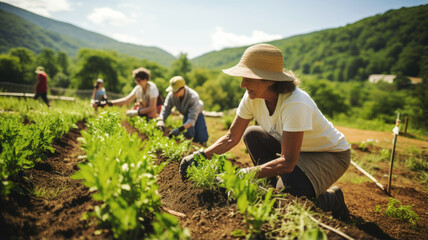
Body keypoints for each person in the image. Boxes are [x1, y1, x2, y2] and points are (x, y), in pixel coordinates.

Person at [179, 44, 351, 221]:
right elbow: (232, 137)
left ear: (269, 80)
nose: (242, 84)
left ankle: (332, 199)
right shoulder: (252, 97)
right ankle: (271, 188)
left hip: (328, 155)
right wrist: (200, 156)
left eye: (248, 78)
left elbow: (288, 162)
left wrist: (242, 175)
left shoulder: (295, 103)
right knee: (253, 135)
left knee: (285, 201)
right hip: (296, 151)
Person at [156, 76, 209, 146]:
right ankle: (193, 146)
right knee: (190, 133)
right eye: (172, 91)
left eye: (175, 91)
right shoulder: (172, 95)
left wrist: (179, 129)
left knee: (201, 135)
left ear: (183, 88)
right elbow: (166, 108)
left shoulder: (193, 97)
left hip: (196, 113)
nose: (174, 93)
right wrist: (161, 119)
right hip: (186, 114)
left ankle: (202, 145)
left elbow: (191, 119)